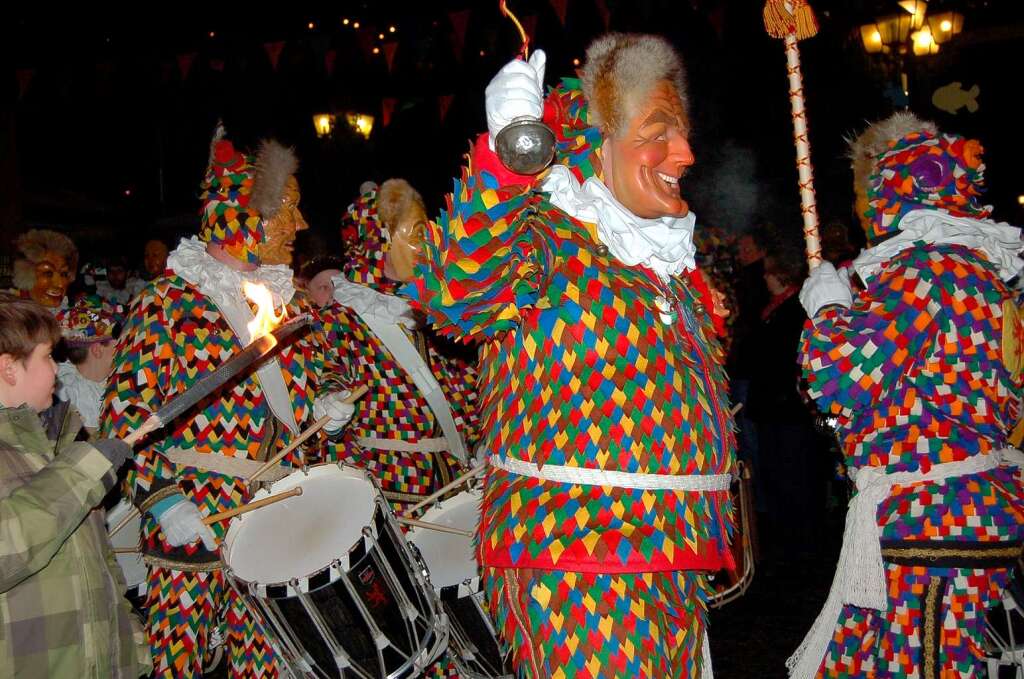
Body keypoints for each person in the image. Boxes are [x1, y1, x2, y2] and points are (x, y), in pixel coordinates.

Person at [407, 33, 735, 678]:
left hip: (671, 552)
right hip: (577, 556)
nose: (686, 153)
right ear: (601, 144)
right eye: (657, 132)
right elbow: (455, 297)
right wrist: (507, 161)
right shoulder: (549, 235)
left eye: (683, 132)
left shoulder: (658, 260)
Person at [100, 128, 351, 679]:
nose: (300, 225)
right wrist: (165, 502)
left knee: (267, 664)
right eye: (288, 209)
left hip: (275, 518)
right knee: (179, 664)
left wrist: (331, 401)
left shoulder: (280, 302)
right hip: (197, 517)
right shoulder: (167, 303)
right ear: (242, 217)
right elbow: (123, 413)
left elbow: (317, 371)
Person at [789, 112, 1024, 678]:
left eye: (865, 191)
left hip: (931, 526)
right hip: (963, 518)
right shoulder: (982, 274)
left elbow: (838, 378)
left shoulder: (925, 270)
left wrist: (827, 310)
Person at [0, 294, 150, 678]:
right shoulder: (70, 465)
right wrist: (82, 470)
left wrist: (131, 645)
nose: (57, 369)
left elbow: (99, 563)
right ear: (9, 369)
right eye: (49, 357)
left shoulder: (55, 443)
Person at [745, 244, 822, 561]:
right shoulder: (773, 308)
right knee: (775, 470)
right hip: (771, 405)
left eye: (768, 272)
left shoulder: (794, 310)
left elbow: (787, 357)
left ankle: (801, 541)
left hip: (787, 406)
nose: (764, 278)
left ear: (779, 274)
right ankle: (785, 535)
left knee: (793, 473)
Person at [55, 295, 124, 435]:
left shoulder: (116, 378)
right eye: (120, 342)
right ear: (97, 350)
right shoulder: (67, 391)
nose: (126, 347)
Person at [11, 229, 78, 311]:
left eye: (63, 274)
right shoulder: (9, 316)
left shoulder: (77, 316)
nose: (60, 284)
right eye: (48, 273)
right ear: (25, 275)